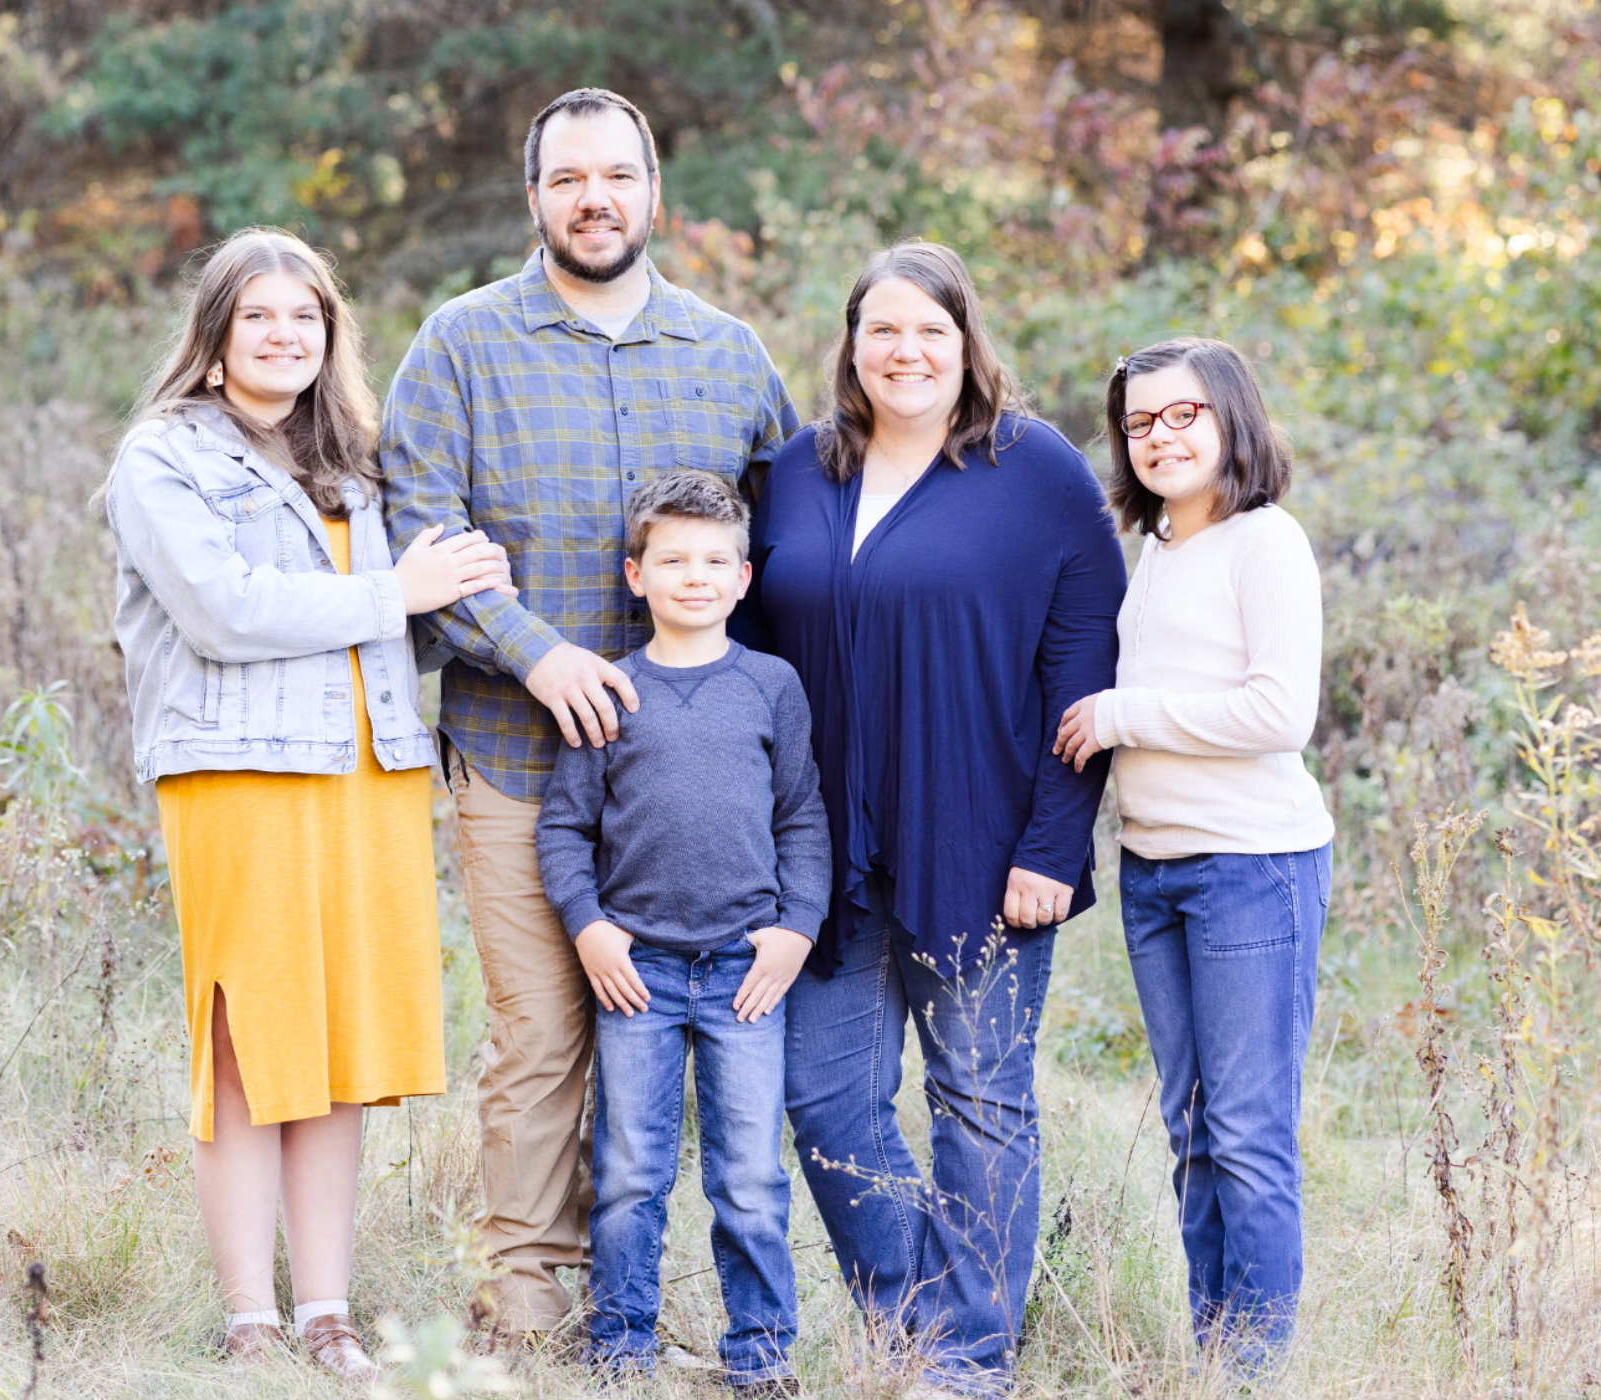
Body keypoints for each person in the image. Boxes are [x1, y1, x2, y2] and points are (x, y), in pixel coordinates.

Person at [381, 87, 798, 1341]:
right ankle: (527, 1298)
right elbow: (421, 530)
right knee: (545, 1030)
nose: (594, 199)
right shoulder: (457, 344)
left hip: (699, 785)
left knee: (675, 1039)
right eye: (568, 179)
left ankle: (635, 1293)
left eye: (616, 176)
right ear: (534, 199)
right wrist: (540, 652)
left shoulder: (727, 354)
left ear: (652, 193)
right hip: (517, 759)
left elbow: (784, 549)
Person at [103, 227, 513, 1380]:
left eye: (305, 317)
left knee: (338, 1047)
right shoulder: (164, 458)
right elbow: (224, 609)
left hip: (370, 773)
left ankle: (326, 1310)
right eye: (259, 318)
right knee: (246, 1042)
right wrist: (399, 587)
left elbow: (405, 620)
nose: (284, 336)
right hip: (240, 774)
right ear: (216, 335)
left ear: (331, 333)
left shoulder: (357, 460)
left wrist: (461, 590)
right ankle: (248, 1315)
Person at [738, 241, 1126, 1393]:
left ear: (967, 344)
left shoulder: (1035, 470)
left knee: (978, 1096)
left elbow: (1080, 667)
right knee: (823, 1096)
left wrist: (1053, 844)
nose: (905, 352)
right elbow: (751, 648)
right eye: (882, 331)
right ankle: (920, 1309)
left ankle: (964, 1356)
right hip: (822, 854)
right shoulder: (795, 472)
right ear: (850, 345)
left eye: (930, 332)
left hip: (983, 842)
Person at [1053, 337, 1333, 1364]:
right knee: (1191, 1126)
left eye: (1182, 415)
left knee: (1247, 1130)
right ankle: (1215, 1348)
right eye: (1139, 423)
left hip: (1250, 868)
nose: (1160, 436)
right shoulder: (1160, 545)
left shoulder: (1265, 540)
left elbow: (1277, 710)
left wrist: (1126, 711)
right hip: (1154, 868)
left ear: (1229, 419)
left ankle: (1250, 1368)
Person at [535, 470, 828, 1397]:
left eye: (714, 560)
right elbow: (564, 828)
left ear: (744, 579)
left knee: (748, 1175)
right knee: (628, 1171)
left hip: (748, 968)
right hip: (639, 973)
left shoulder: (772, 686)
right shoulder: (610, 689)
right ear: (636, 573)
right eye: (672, 559)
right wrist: (590, 930)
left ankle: (761, 1356)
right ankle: (620, 1349)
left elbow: (803, 820)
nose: (694, 576)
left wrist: (797, 931)